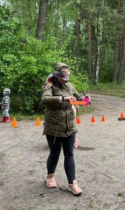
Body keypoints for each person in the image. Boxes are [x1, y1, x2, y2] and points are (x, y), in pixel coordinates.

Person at [41, 62, 84, 195]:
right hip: (54, 126)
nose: (64, 80)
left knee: (69, 154)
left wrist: (85, 100)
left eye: (66, 77)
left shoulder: (70, 85)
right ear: (57, 75)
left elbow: (79, 98)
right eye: (62, 77)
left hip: (70, 126)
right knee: (54, 154)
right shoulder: (50, 85)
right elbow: (45, 99)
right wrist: (62, 98)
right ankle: (50, 176)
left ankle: (72, 183)